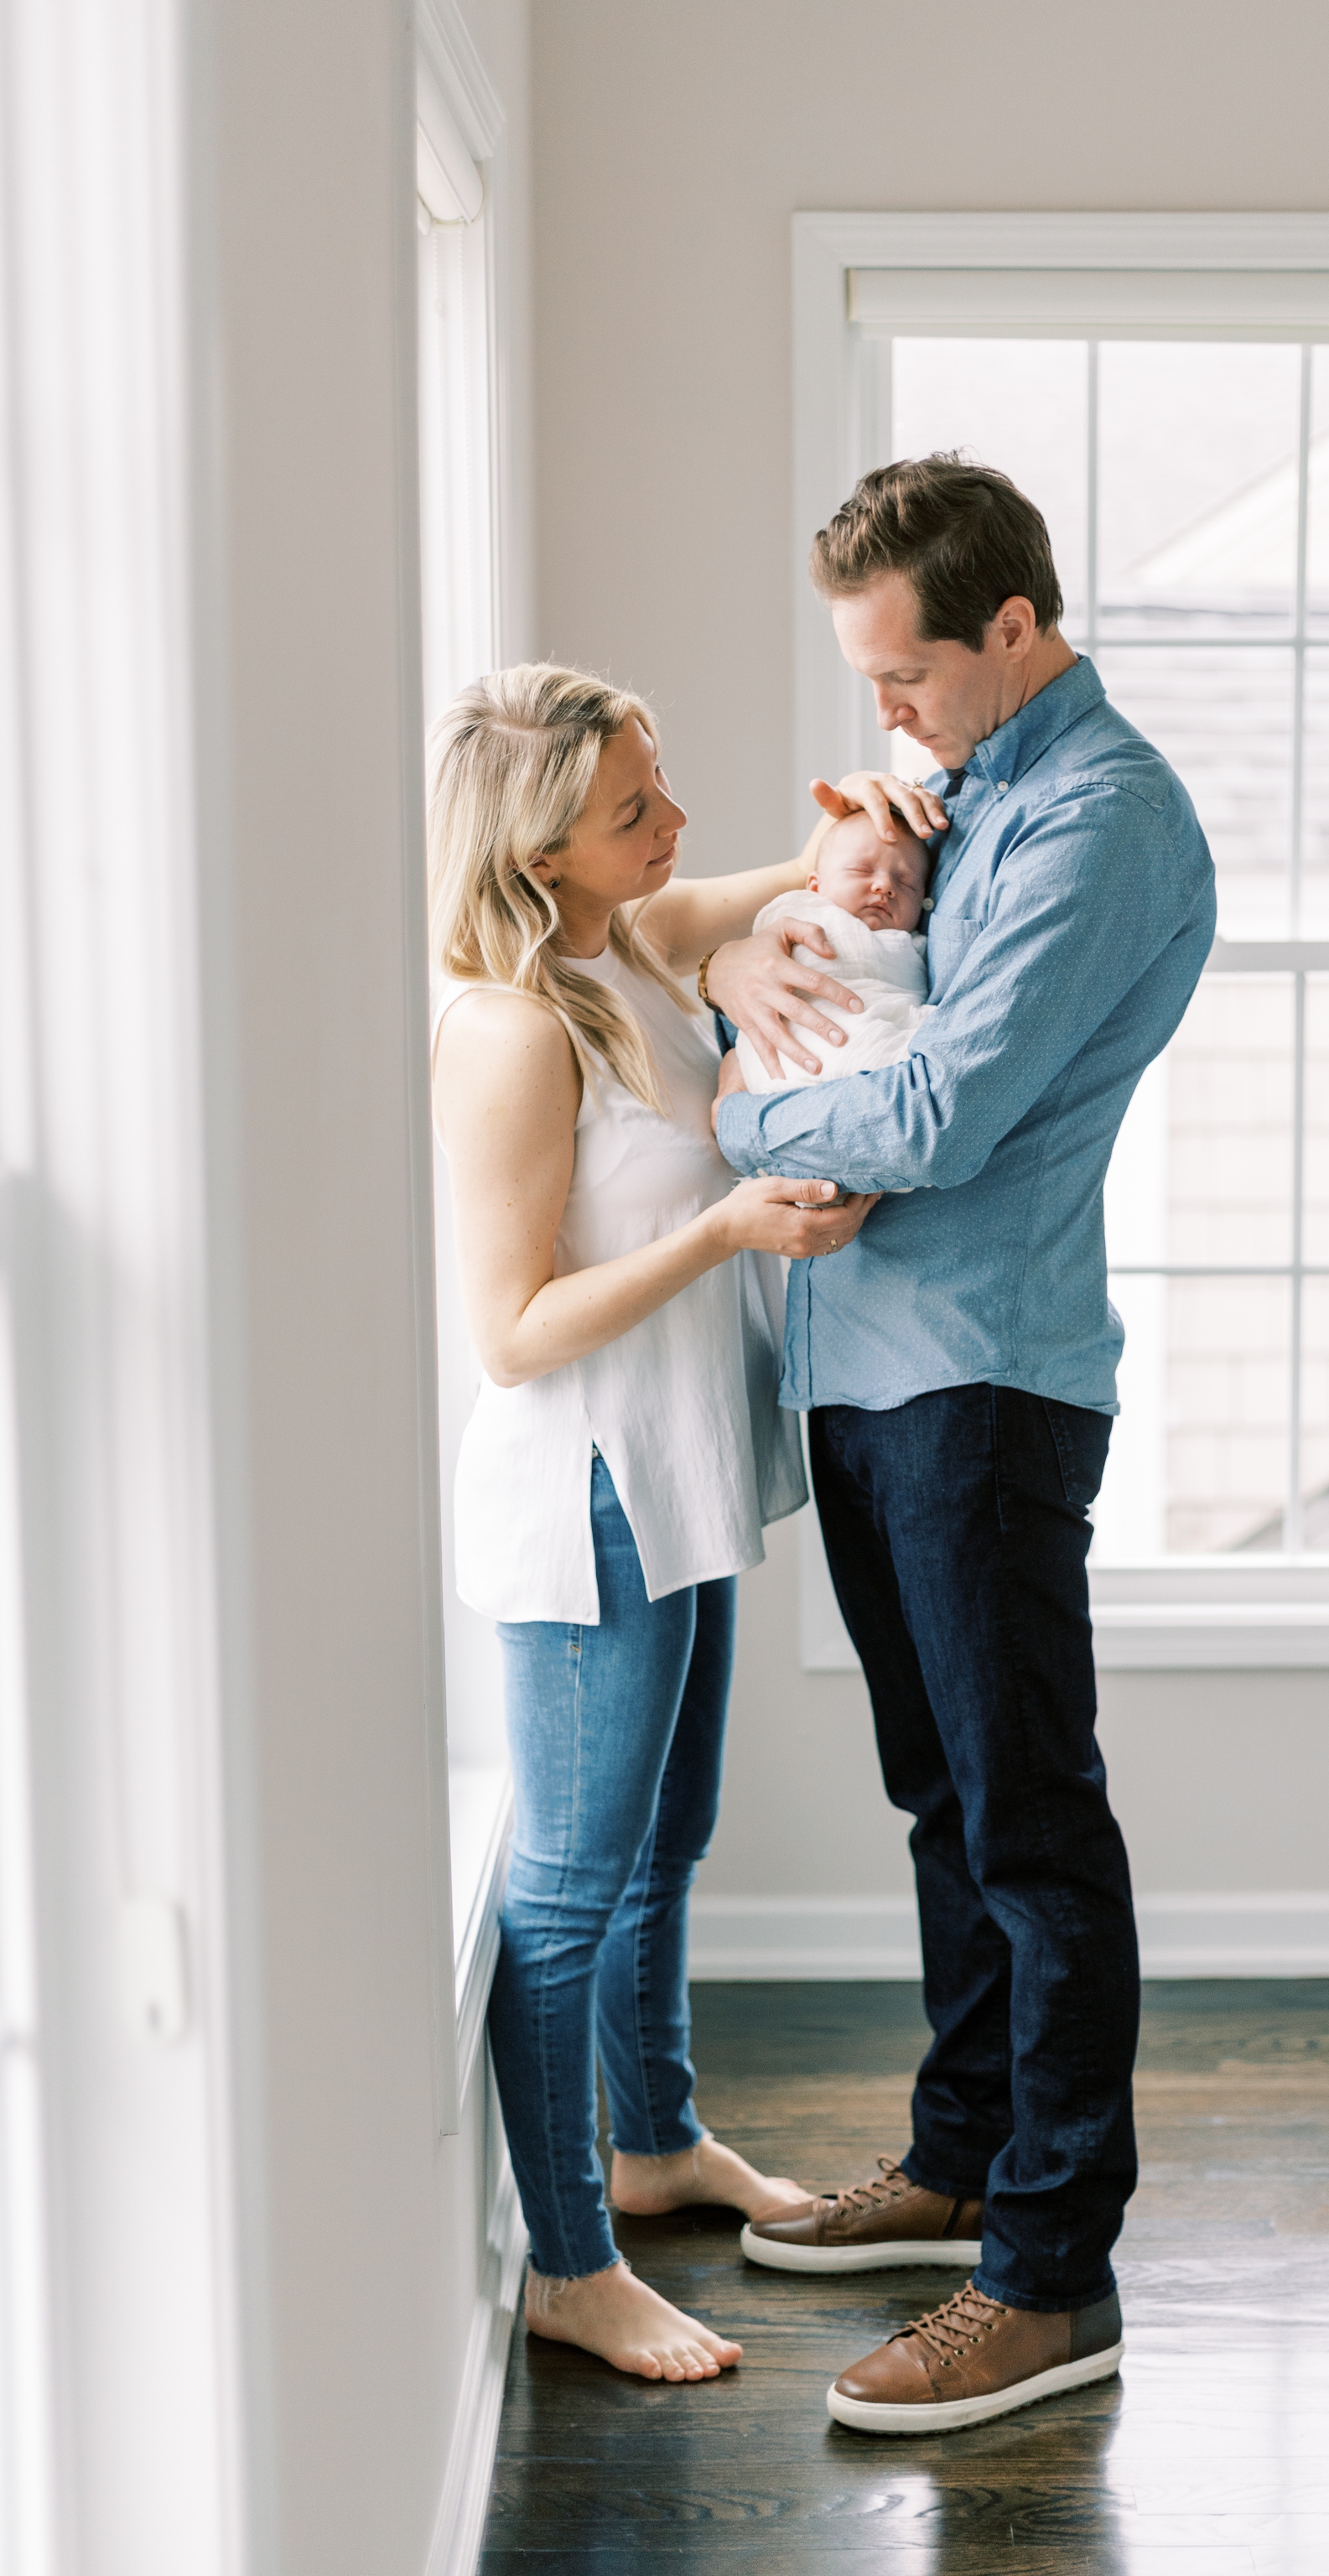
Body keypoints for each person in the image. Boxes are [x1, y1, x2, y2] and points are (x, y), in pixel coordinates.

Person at [702, 456, 1217, 2434]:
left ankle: (1044, 2269)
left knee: (1024, 1819)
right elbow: (847, 996)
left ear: (1011, 626)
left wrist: (733, 1130)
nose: (880, 711)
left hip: (982, 1373)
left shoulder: (1096, 816)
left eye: (903, 671)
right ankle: (957, 2158)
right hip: (865, 1358)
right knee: (942, 1795)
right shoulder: (956, 790)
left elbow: (929, 1119)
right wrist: (812, 919)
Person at [428, 663, 885, 2383]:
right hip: (590, 1504)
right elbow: (511, 1331)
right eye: (632, 809)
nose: (667, 826)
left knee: (666, 1840)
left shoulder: (617, 942)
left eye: (660, 786)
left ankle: (659, 2142)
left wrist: (841, 837)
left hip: (680, 1477)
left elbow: (728, 887)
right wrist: (723, 1237)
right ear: (542, 850)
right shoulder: (510, 1031)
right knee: (565, 1885)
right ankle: (570, 2258)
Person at [734, 805, 933, 1094]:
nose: (885, 885)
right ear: (815, 886)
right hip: (788, 1054)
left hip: (872, 1043)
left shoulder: (917, 947)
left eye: (907, 883)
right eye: (862, 870)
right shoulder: (800, 916)